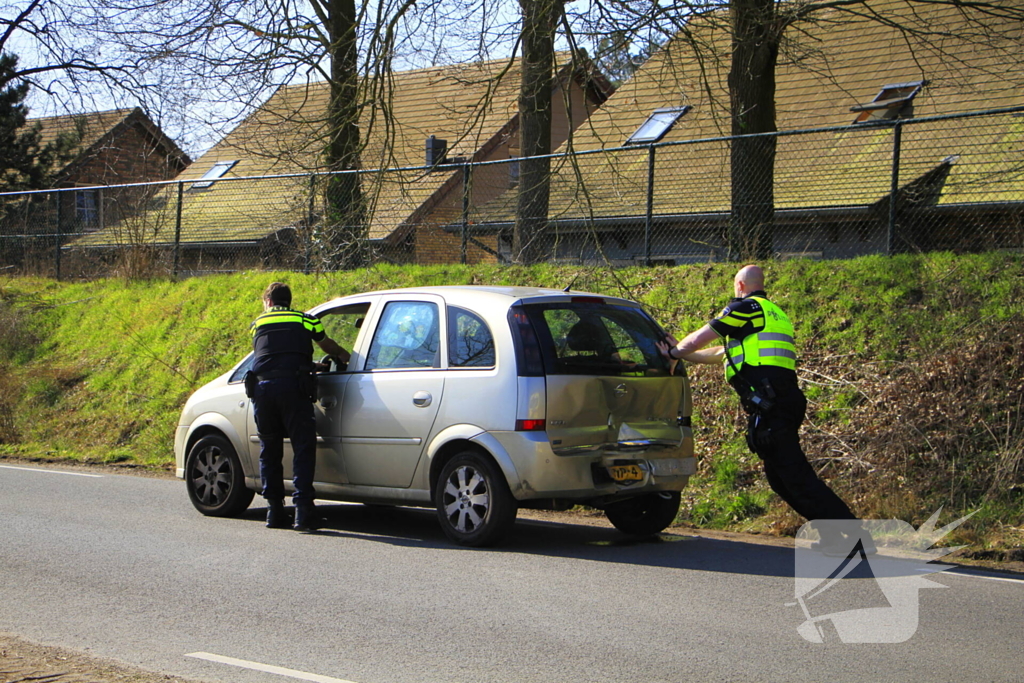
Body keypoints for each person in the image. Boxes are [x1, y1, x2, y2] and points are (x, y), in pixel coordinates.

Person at [657, 265, 862, 552]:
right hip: (778, 403)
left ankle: (856, 537)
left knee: (796, 476)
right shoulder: (772, 314)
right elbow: (719, 352)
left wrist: (675, 352)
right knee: (780, 478)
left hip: (772, 404)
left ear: (739, 285)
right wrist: (684, 353)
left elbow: (706, 335)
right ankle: (832, 534)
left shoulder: (747, 307)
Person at [249, 282, 350, 531]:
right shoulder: (307, 319)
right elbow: (327, 345)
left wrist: (309, 365)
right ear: (289, 301)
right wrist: (343, 355)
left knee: (269, 449)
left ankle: (274, 512)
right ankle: (303, 513)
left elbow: (273, 357)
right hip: (294, 389)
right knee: (303, 447)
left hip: (263, 391)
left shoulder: (258, 324)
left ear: (269, 302)